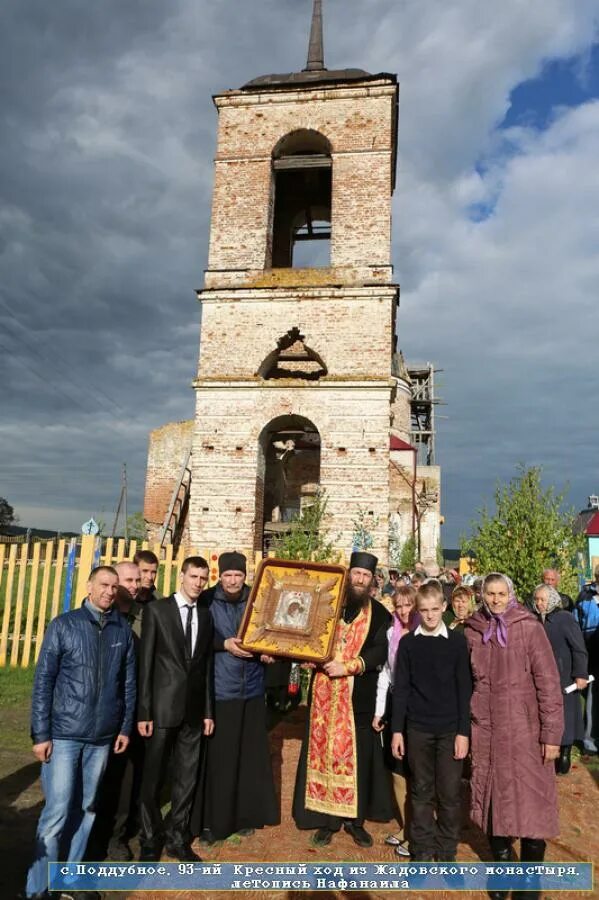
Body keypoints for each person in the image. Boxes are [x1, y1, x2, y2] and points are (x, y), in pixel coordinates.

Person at [25, 566, 136, 900]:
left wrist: (125, 726)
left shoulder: (123, 630)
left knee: (87, 808)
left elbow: (127, 684)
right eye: (104, 584)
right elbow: (43, 681)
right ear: (89, 586)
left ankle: (70, 880)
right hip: (64, 735)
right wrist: (40, 734)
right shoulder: (64, 625)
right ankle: (37, 889)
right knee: (57, 811)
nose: (109, 591)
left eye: (115, 587)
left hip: (102, 737)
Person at [465, 573, 563, 900]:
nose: (495, 600)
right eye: (489, 594)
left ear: (511, 594)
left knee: (533, 807)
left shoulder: (529, 628)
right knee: (493, 807)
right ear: (482, 595)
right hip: (487, 733)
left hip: (526, 733)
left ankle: (528, 878)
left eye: (501, 593)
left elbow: (548, 684)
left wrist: (552, 735)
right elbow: (463, 684)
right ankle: (503, 867)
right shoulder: (472, 631)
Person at [293, 551, 392, 848]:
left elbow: (379, 651)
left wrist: (349, 665)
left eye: (366, 576)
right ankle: (328, 821)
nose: (360, 580)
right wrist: (308, 659)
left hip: (357, 700)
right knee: (322, 755)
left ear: (372, 581)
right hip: (324, 696)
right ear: (348, 575)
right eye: (356, 574)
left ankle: (356, 821)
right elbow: (308, 636)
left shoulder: (379, 613)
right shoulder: (328, 605)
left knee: (358, 759)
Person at [191, 551, 279, 843]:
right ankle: (212, 821)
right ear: (219, 575)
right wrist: (224, 644)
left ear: (245, 575)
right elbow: (197, 638)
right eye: (227, 575)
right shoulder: (206, 601)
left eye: (238, 575)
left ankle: (243, 815)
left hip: (252, 689)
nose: (232, 580)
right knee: (220, 758)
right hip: (221, 689)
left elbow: (271, 632)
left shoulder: (257, 600)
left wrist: (268, 651)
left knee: (246, 757)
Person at [137, 556, 214, 862]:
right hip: (160, 710)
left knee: (186, 778)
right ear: (181, 576)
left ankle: (177, 839)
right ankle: (149, 839)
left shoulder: (206, 616)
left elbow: (205, 667)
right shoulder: (157, 611)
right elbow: (146, 666)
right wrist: (144, 712)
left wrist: (209, 710)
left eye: (203, 578)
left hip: (194, 712)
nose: (198, 583)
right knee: (153, 778)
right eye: (193, 576)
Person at [391, 581, 472, 862]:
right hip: (418, 729)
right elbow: (401, 688)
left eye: (435, 609)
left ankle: (447, 851)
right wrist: (397, 731)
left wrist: (464, 732)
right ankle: (422, 850)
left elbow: (465, 689)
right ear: (417, 610)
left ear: (444, 608)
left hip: (450, 729)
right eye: (423, 610)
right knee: (421, 792)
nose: (429, 615)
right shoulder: (409, 643)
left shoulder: (458, 642)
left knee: (449, 794)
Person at [88, 561, 151, 861]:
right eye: (129, 580)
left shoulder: (144, 617)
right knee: (98, 779)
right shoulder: (102, 617)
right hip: (102, 712)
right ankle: (91, 836)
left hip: (134, 709)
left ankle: (116, 837)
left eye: (138, 580)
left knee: (127, 780)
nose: (135, 585)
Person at [372, 583, 420, 857]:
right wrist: (380, 711)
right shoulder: (392, 632)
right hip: (395, 703)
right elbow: (386, 674)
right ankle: (406, 825)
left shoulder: (422, 632)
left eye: (407, 605)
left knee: (417, 770)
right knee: (397, 767)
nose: (402, 611)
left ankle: (417, 830)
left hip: (419, 706)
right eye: (398, 606)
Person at [532, 583, 588, 774]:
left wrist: (580, 674)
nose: (539, 603)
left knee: (566, 715)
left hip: (564, 678)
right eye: (536, 599)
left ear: (552, 600)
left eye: (542, 599)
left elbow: (578, 648)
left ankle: (565, 752)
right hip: (541, 678)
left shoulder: (565, 619)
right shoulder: (534, 620)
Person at [573, 565, 599, 754]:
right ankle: (589, 741)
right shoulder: (584, 598)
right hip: (591, 653)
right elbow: (576, 628)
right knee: (591, 699)